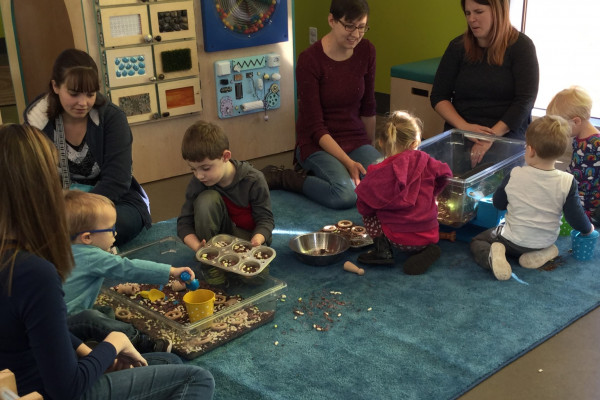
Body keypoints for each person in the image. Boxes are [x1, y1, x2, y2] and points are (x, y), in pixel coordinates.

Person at [0, 123, 215, 400]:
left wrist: (89, 353)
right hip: (43, 389)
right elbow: (67, 389)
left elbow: (37, 334)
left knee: (167, 363)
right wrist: (112, 345)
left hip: (25, 372)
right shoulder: (33, 271)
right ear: (37, 187)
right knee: (196, 379)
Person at [24, 48, 151, 247]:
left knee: (112, 227)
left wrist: (78, 215)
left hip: (113, 202)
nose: (83, 103)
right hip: (59, 204)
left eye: (90, 94)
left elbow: (117, 181)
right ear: (55, 86)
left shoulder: (112, 118)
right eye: (74, 94)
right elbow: (31, 182)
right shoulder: (37, 125)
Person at [262, 0, 381, 209]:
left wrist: (369, 150)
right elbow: (315, 128)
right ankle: (286, 177)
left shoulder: (367, 51)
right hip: (317, 142)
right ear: (331, 20)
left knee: (385, 183)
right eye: (349, 26)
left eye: (362, 27)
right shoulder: (309, 60)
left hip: (355, 137)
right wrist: (348, 163)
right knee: (345, 194)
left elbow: (368, 107)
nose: (355, 34)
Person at [63, 190, 195, 352]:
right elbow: (130, 268)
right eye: (111, 229)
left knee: (104, 312)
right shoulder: (92, 257)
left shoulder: (64, 249)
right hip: (66, 324)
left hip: (60, 321)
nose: (116, 233)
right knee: (92, 318)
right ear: (87, 238)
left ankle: (97, 340)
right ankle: (140, 342)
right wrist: (171, 270)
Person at [470, 115, 595, 281]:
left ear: (530, 150)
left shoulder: (515, 174)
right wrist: (589, 230)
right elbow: (575, 216)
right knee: (545, 243)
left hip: (511, 241)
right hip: (544, 240)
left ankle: (492, 257)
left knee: (478, 241)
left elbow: (498, 204)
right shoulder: (567, 181)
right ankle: (544, 252)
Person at [430, 0, 539, 167]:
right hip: (464, 129)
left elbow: (525, 101)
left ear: (497, 11)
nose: (472, 19)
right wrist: (464, 127)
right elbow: (438, 96)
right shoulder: (457, 47)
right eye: (468, 13)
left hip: (506, 131)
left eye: (478, 12)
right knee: (441, 174)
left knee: (496, 176)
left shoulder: (521, 47)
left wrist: (491, 136)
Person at [354, 111, 453, 275]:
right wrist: (433, 194)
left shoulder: (377, 171)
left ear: (381, 141)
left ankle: (383, 251)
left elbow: (363, 204)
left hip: (397, 238)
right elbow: (446, 174)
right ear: (415, 143)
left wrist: (375, 209)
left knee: (369, 211)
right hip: (429, 234)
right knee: (427, 205)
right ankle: (426, 249)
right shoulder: (428, 161)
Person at [177, 120, 274, 285]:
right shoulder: (198, 182)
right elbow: (183, 224)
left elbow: (266, 219)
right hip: (216, 240)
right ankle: (211, 266)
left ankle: (231, 266)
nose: (199, 175)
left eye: (205, 168)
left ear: (225, 156)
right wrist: (200, 249)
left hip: (247, 238)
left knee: (257, 278)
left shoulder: (254, 179)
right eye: (193, 169)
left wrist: (257, 240)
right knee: (206, 200)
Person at [546, 86, 600, 226]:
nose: (559, 131)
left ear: (576, 121)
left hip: (591, 205)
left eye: (560, 126)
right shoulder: (578, 138)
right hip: (577, 196)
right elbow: (576, 167)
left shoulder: (596, 143)